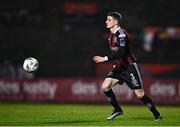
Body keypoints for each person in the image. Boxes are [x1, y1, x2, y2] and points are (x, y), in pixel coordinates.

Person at [93, 12, 162, 121]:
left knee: (139, 95)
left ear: (116, 22)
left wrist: (105, 58)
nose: (106, 21)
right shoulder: (111, 35)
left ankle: (157, 114)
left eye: (109, 19)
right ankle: (117, 109)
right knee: (105, 87)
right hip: (119, 67)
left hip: (130, 67)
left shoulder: (121, 34)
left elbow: (122, 52)